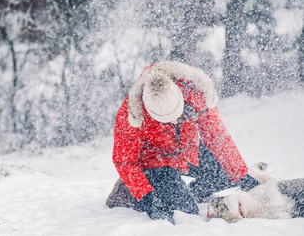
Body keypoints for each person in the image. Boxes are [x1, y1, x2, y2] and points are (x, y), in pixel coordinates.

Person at [106, 61, 260, 223]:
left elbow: (218, 138)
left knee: (227, 176)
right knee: (187, 214)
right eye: (164, 120)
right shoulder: (131, 114)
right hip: (156, 162)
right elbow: (125, 161)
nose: (173, 122)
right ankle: (138, 190)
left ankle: (187, 192)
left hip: (187, 150)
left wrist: (241, 175)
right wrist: (148, 199)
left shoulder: (196, 94)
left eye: (176, 115)